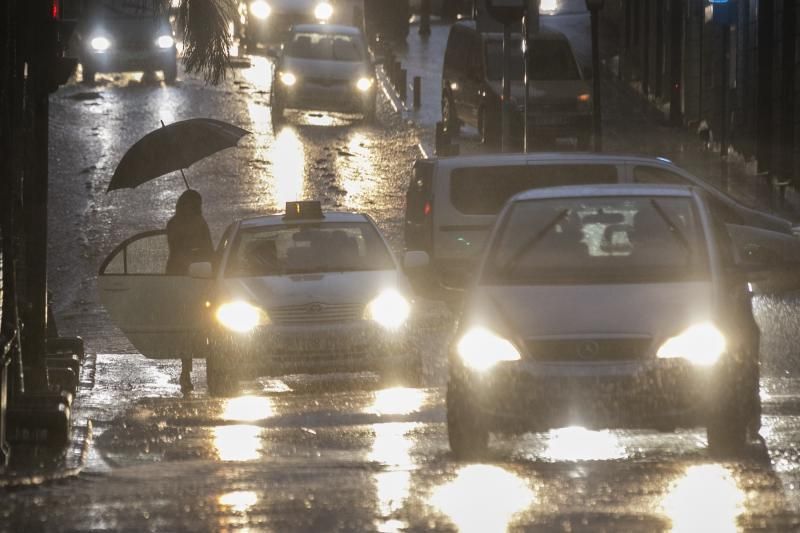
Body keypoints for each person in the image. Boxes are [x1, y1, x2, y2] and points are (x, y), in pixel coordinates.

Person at [166, 189, 213, 392]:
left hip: (180, 277)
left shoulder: (174, 223)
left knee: (189, 325)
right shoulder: (196, 223)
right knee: (199, 324)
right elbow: (207, 250)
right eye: (197, 204)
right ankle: (190, 367)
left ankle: (186, 369)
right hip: (191, 278)